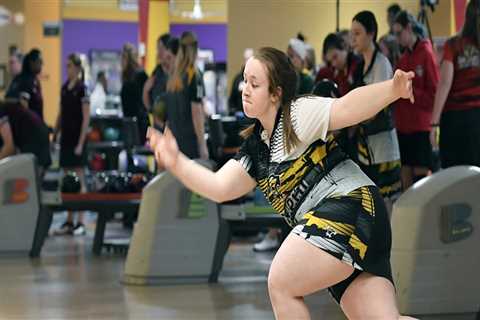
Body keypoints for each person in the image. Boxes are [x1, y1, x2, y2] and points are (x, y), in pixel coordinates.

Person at [147, 47, 416, 319]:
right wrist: (176, 161)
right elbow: (219, 187)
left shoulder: (298, 113)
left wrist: (392, 89)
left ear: (276, 93)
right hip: (364, 219)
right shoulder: (257, 149)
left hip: (352, 205)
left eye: (255, 84)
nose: (245, 90)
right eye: (244, 81)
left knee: (281, 283)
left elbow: (346, 107)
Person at [351, 11, 402, 207]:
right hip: (366, 148)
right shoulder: (359, 66)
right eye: (352, 34)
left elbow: (376, 108)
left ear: (371, 34)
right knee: (370, 206)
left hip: (384, 149)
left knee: (387, 205)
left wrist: (351, 117)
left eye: (357, 33)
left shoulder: (381, 64)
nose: (352, 39)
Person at [430, 0, 480, 168]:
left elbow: (444, 83)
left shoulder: (453, 44)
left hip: (455, 120)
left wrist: (434, 123)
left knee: (454, 176)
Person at [393, 11, 439, 189]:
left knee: (421, 181)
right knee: (405, 176)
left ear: (409, 28)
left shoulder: (426, 53)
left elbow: (434, 94)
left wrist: (411, 91)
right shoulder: (403, 59)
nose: (397, 39)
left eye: (399, 33)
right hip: (403, 126)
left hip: (420, 126)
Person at [53, 53, 90, 236]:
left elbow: (86, 118)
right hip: (66, 138)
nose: (67, 69)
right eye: (66, 65)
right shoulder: (64, 88)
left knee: (80, 179)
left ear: (77, 68)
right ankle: (69, 221)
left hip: (77, 139)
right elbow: (61, 113)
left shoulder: (83, 89)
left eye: (69, 66)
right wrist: (55, 133)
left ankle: (81, 222)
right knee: (67, 181)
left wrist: (81, 143)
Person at [164, 31, 208, 160]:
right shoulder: (194, 75)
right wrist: (202, 145)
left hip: (173, 141)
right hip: (189, 144)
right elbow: (197, 113)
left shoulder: (173, 77)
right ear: (195, 49)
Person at [0, 99, 51, 175]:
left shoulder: (2, 111)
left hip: (34, 145)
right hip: (38, 139)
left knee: (28, 182)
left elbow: (9, 147)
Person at [121, 43, 149, 145]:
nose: (121, 62)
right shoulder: (126, 77)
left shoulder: (141, 75)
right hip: (129, 122)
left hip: (139, 123)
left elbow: (146, 98)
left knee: (139, 154)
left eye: (123, 58)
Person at [143, 33, 171, 131]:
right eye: (158, 48)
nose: (158, 52)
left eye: (161, 48)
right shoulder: (157, 71)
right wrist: (152, 111)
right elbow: (146, 92)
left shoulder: (177, 73)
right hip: (158, 128)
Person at [6, 48, 44, 121]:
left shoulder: (34, 80)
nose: (42, 64)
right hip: (28, 127)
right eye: (40, 61)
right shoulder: (26, 80)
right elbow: (23, 107)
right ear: (32, 63)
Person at [228, 48, 254, 115]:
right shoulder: (238, 79)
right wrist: (234, 112)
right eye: (246, 59)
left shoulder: (258, 78)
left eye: (250, 59)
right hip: (240, 115)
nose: (248, 61)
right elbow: (232, 99)